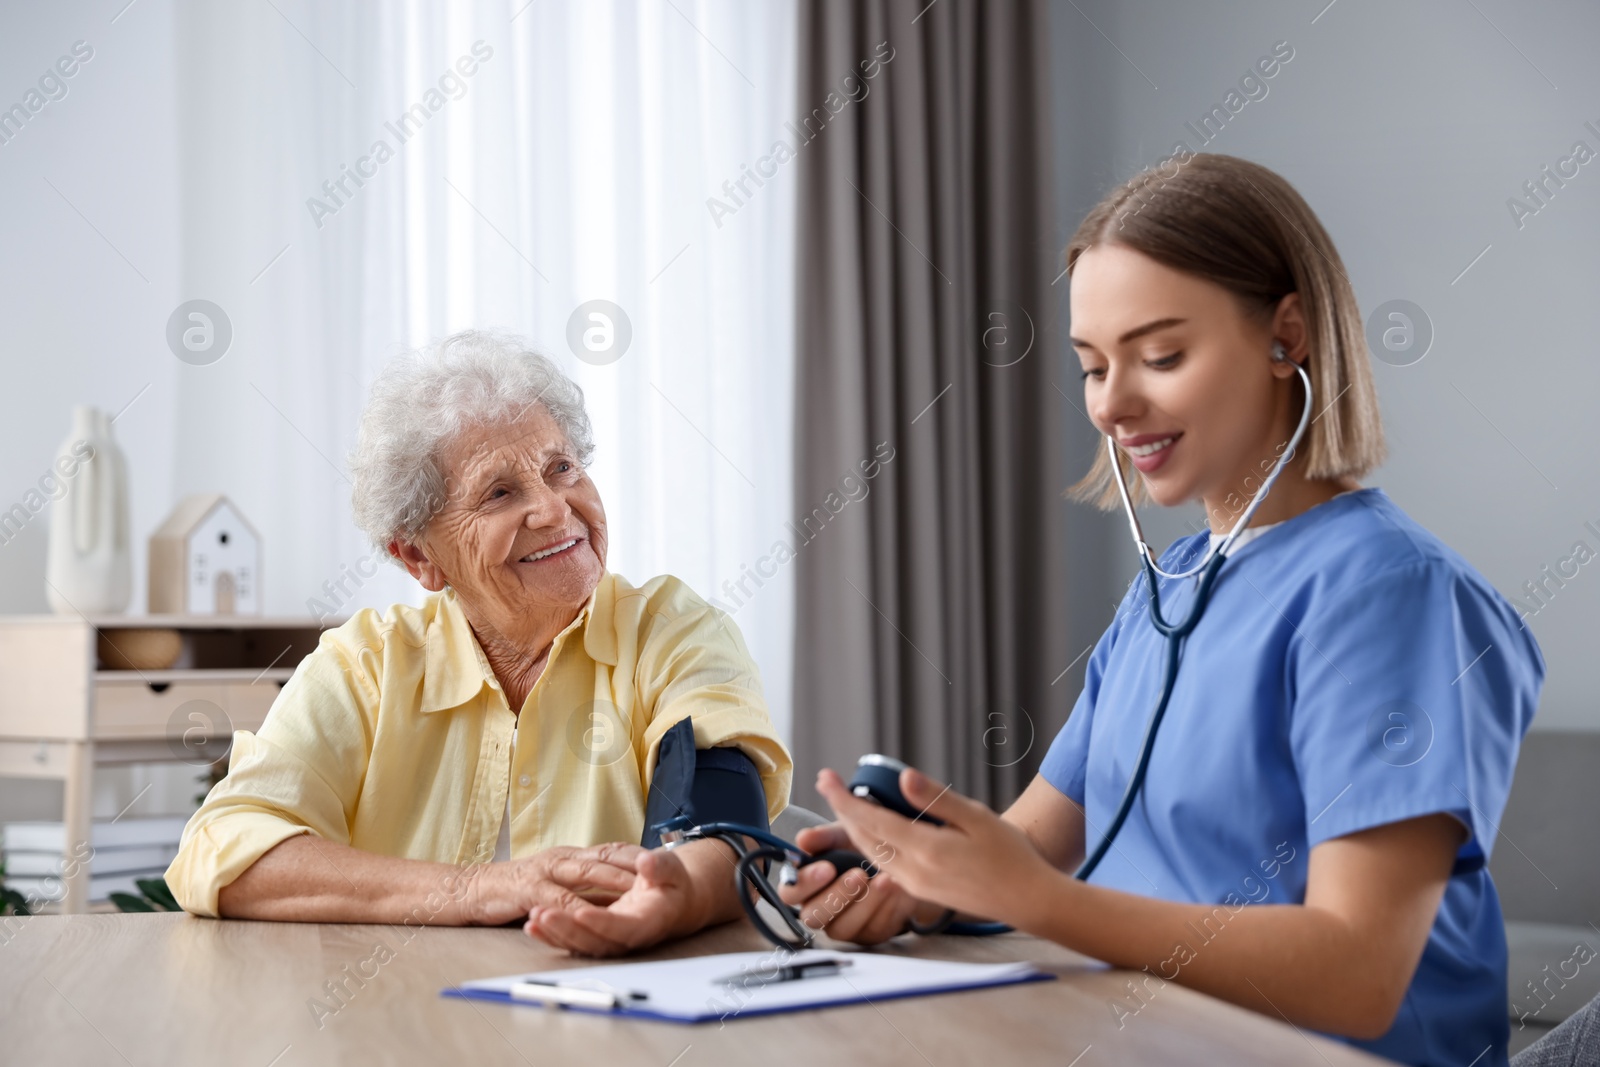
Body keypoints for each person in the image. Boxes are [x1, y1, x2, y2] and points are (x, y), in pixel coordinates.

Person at [780, 154, 1543, 1066]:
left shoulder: (1393, 594)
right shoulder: (1166, 591)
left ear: (1287, 335)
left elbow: (1359, 971)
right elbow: (1039, 842)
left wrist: (1031, 897)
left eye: (1161, 355)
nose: (1113, 404)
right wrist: (927, 878)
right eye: (1094, 366)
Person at [166, 329, 792, 957]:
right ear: (418, 557)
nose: (554, 509)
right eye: (499, 493)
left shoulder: (670, 631)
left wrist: (670, 897)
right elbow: (224, 848)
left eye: (562, 468)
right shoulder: (364, 668)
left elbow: (724, 834)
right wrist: (477, 890)